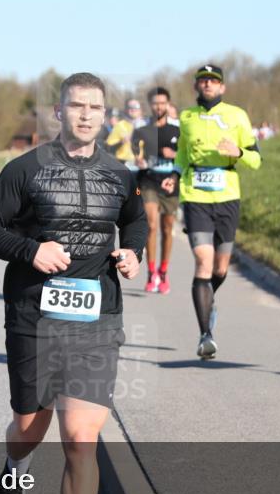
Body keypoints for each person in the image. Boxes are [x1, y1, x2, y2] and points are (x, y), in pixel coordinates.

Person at [0, 72, 146, 494]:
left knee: (80, 438)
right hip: (34, 316)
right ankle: (13, 463)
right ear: (58, 111)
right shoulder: (24, 170)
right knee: (31, 426)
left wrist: (133, 251)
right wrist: (31, 251)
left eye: (95, 107)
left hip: (96, 317)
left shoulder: (121, 175)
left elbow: (134, 221)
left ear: (105, 114)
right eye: (77, 106)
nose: (86, 114)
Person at [161, 65, 261, 359]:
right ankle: (206, 335)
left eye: (213, 81)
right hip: (195, 196)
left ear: (222, 88)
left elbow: (256, 159)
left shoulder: (237, 115)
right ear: (196, 86)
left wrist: (239, 153)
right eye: (203, 80)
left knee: (219, 269)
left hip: (228, 195)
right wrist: (175, 174)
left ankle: (208, 301)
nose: (207, 84)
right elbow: (181, 154)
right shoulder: (188, 117)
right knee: (203, 263)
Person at [131, 87, 180, 294]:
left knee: (167, 228)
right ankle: (151, 273)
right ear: (150, 105)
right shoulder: (142, 128)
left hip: (169, 181)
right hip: (148, 180)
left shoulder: (177, 129)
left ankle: (164, 271)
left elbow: (185, 154)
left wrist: (174, 155)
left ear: (168, 105)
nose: (159, 106)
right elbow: (134, 146)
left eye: (162, 103)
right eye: (155, 103)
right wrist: (138, 157)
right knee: (151, 225)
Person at [105, 98, 145, 171]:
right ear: (126, 109)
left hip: (141, 167)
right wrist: (121, 142)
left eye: (136, 107)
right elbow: (108, 148)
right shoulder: (119, 125)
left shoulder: (145, 126)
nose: (133, 109)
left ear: (141, 110)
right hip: (122, 165)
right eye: (130, 107)